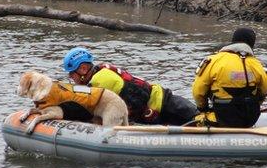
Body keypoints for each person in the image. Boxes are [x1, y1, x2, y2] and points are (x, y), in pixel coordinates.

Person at [62, 47, 199, 125]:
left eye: (71, 73)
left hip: (166, 106)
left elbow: (85, 109)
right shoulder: (100, 72)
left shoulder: (100, 80)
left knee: (201, 121)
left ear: (83, 69)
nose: (70, 77)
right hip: (160, 105)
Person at [192, 27, 267, 128]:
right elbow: (263, 91)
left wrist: (203, 109)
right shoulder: (256, 64)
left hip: (223, 118)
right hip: (250, 118)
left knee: (195, 118)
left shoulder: (214, 61)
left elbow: (198, 91)